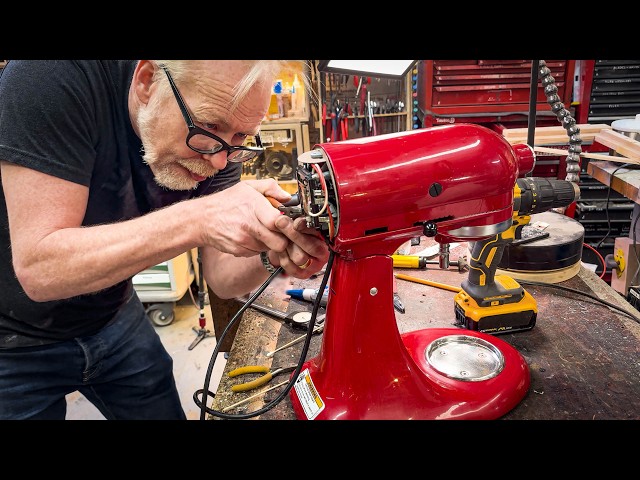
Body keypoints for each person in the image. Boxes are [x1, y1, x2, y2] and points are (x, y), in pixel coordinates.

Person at [0, 60, 329, 420]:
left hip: (113, 314)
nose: (219, 162)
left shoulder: (221, 141)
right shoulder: (53, 76)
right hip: (11, 339)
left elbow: (221, 277)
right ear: (146, 81)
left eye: (240, 138)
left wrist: (271, 252)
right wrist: (201, 217)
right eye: (210, 125)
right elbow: (39, 269)